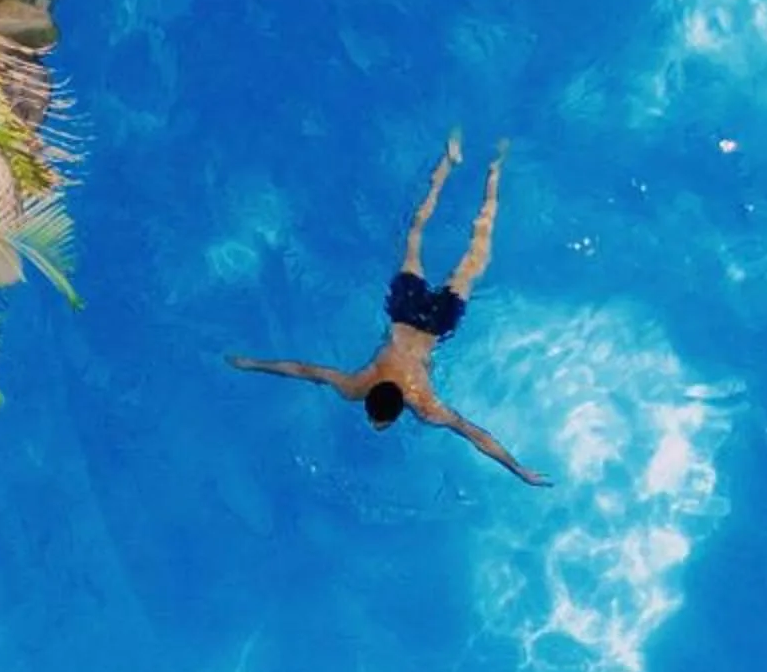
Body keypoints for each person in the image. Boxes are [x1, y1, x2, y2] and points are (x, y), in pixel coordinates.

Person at [229, 134, 551, 486]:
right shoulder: (361, 384)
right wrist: (252, 363)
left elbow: (474, 434)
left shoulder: (423, 402)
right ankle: (456, 165)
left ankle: (489, 169)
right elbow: (305, 369)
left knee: (474, 256)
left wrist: (518, 469)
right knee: (415, 234)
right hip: (404, 311)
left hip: (434, 325)